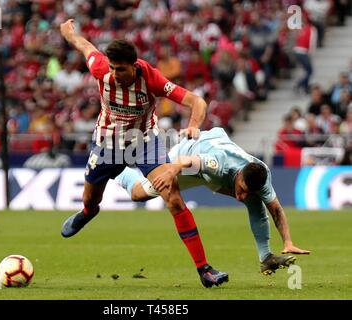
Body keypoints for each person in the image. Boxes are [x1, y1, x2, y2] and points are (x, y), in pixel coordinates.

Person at [58, 19, 228, 288]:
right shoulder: (101, 68)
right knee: (91, 200)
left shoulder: (152, 79)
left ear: (134, 66)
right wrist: (69, 33)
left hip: (144, 142)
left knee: (172, 196)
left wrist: (194, 125)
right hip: (107, 144)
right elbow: (84, 46)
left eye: (120, 69)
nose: (114, 74)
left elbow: (197, 100)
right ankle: (88, 213)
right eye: (112, 68)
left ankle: (204, 270)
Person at [115, 128, 311, 276]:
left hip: (214, 166)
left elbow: (275, 209)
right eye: (241, 189)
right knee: (138, 194)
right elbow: (186, 161)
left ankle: (266, 257)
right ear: (240, 174)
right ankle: (116, 168)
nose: (240, 196)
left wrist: (288, 241)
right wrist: (171, 170)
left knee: (254, 201)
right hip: (187, 156)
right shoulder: (219, 163)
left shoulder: (262, 176)